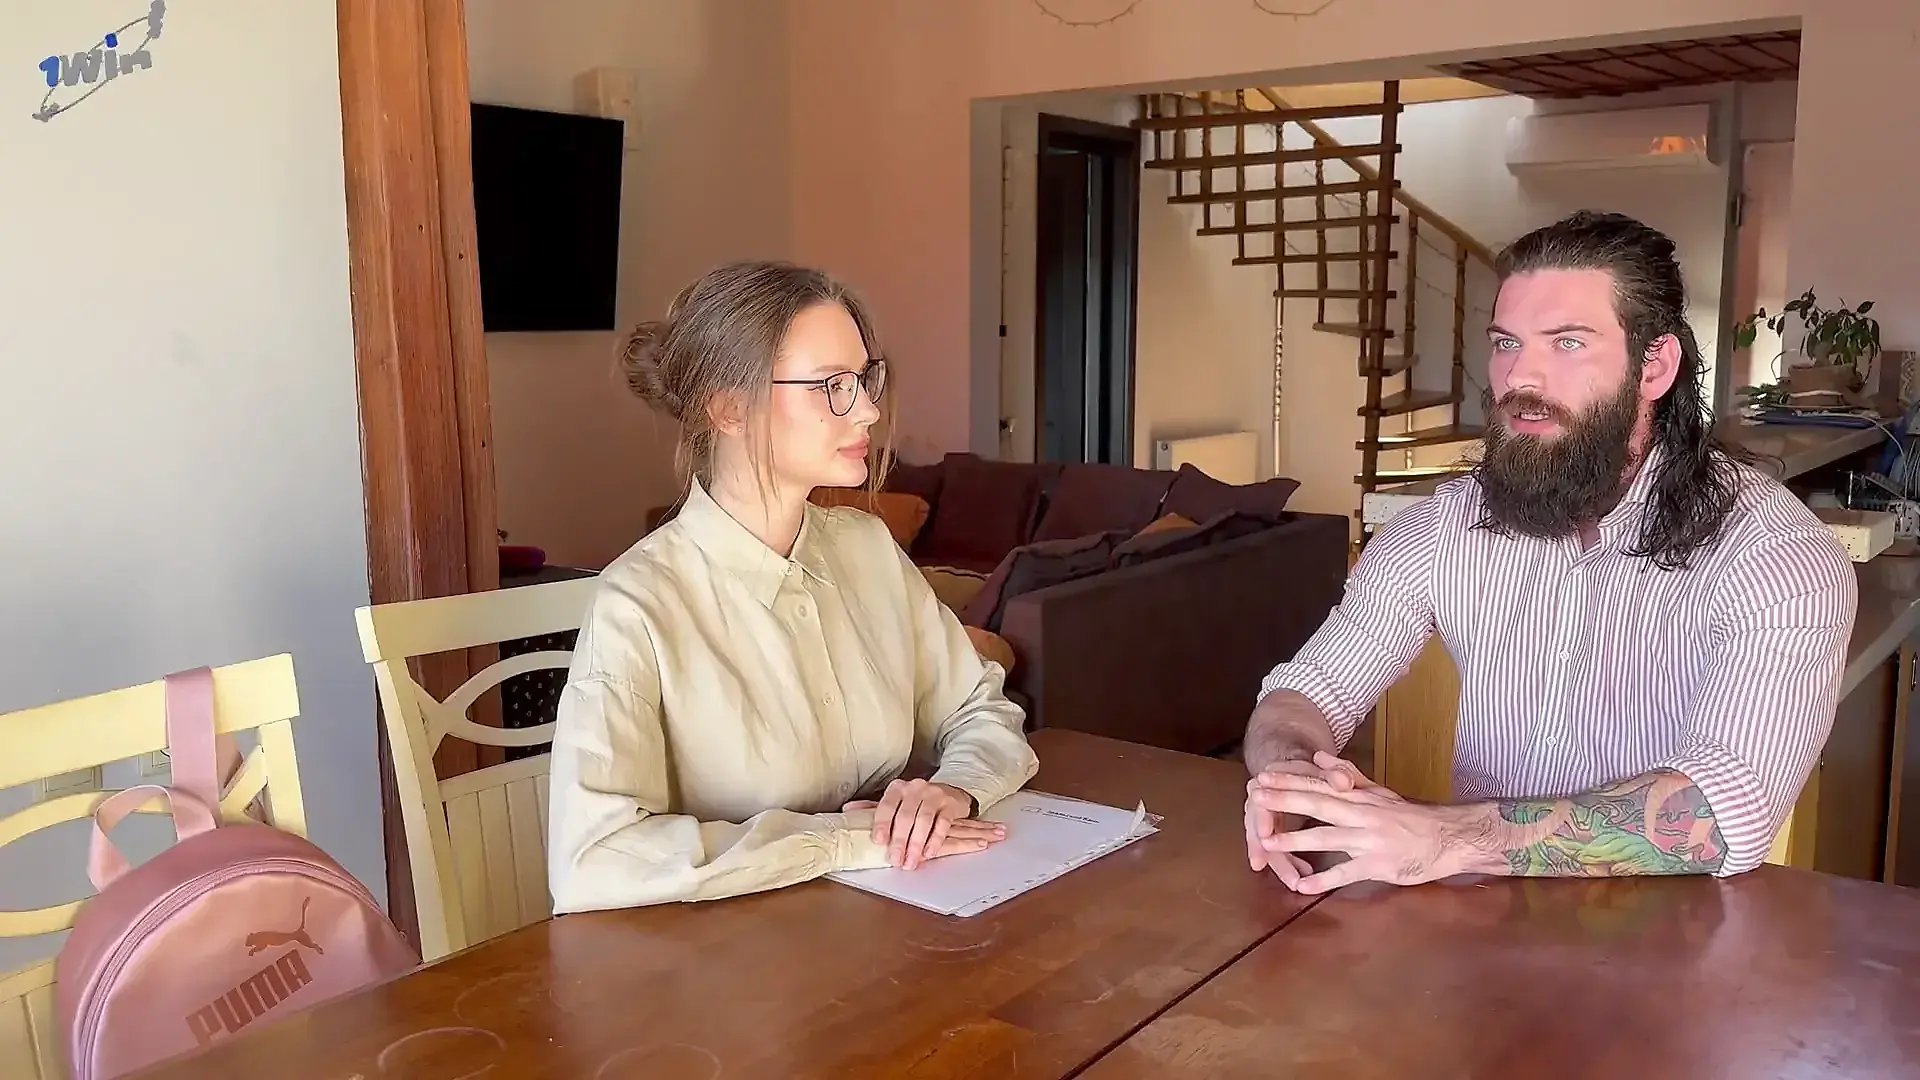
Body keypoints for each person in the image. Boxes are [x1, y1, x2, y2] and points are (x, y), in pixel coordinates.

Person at [1242, 210, 1856, 893]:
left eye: (1567, 343)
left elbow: (1722, 808)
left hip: (1670, 936)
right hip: (1473, 924)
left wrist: (1448, 838)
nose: (1521, 378)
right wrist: (1292, 780)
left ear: (1654, 367)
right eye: (1506, 343)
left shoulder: (1775, 555)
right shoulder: (1443, 528)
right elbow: (1304, 693)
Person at [547, 261, 1038, 913]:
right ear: (729, 407)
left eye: (864, 379)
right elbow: (592, 860)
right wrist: (844, 840)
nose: (867, 410)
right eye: (831, 385)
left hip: (892, 922)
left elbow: (979, 708)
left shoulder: (867, 550)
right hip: (727, 954)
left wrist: (954, 790)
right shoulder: (637, 606)